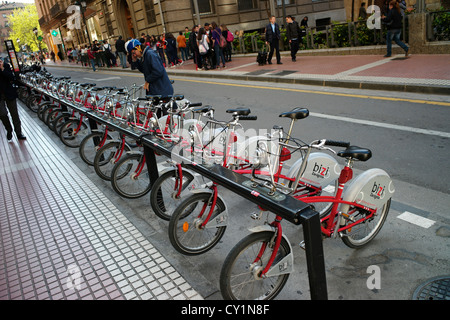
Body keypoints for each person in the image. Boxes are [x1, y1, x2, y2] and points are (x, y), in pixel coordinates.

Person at [0, 58, 25, 140]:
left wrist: (2, 69)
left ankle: (18, 133)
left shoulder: (5, 66)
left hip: (9, 93)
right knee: (2, 114)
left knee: (14, 114)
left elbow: (11, 77)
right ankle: (9, 129)